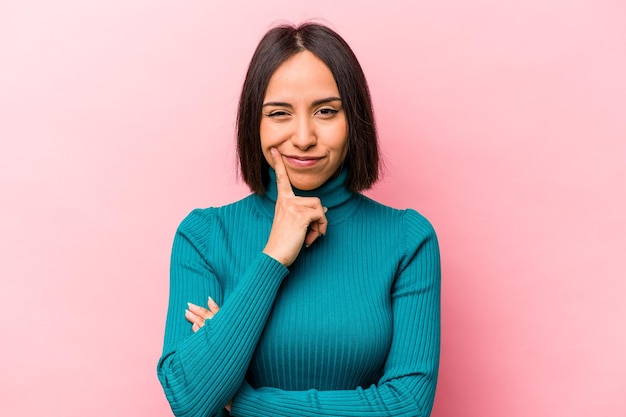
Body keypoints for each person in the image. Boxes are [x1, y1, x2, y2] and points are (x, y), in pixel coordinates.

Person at [157, 22, 441, 417]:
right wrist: (274, 255)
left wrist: (245, 401)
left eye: (326, 111)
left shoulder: (408, 240)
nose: (304, 136)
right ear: (254, 122)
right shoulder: (204, 238)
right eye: (279, 113)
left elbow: (407, 407)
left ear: (354, 119)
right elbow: (190, 401)